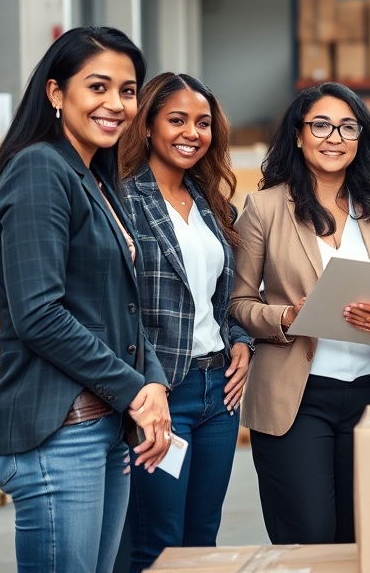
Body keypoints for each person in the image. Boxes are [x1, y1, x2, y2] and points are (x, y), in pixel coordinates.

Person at [0, 26, 171, 573]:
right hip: (58, 429)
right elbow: (39, 315)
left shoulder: (96, 180)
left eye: (127, 91)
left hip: (101, 425)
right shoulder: (38, 169)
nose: (116, 104)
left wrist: (149, 386)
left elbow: (122, 308)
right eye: (97, 86)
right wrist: (134, 390)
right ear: (56, 93)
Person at [229, 82, 370, 545]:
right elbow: (237, 303)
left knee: (365, 534)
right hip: (298, 397)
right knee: (310, 532)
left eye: (348, 127)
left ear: (360, 139)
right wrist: (285, 318)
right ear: (298, 135)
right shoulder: (264, 208)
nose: (334, 136)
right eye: (321, 125)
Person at [117, 73, 254, 571]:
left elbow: (221, 299)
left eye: (203, 123)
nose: (191, 132)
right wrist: (141, 388)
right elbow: (116, 308)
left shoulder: (212, 204)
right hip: (159, 394)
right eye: (177, 120)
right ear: (147, 126)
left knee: (202, 540)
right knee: (158, 545)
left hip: (218, 393)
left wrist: (240, 341)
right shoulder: (123, 201)